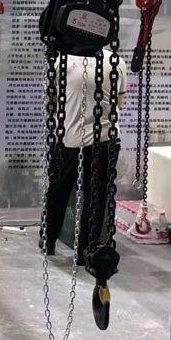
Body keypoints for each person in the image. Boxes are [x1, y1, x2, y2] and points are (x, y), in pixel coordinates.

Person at [41, 50, 127, 264]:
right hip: (105, 139)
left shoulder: (61, 61)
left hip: (70, 139)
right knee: (95, 197)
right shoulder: (116, 62)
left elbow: (51, 103)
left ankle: (49, 239)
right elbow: (119, 102)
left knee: (58, 190)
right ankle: (85, 251)